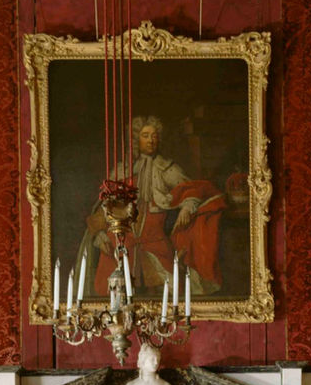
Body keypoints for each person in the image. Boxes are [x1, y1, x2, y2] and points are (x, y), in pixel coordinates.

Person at [76, 114, 226, 297]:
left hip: (156, 242)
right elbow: (105, 208)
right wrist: (99, 234)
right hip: (122, 242)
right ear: (135, 139)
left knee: (175, 292)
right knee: (110, 291)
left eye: (154, 136)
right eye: (146, 135)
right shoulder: (123, 171)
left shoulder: (168, 169)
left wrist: (187, 206)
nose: (151, 140)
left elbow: (192, 190)